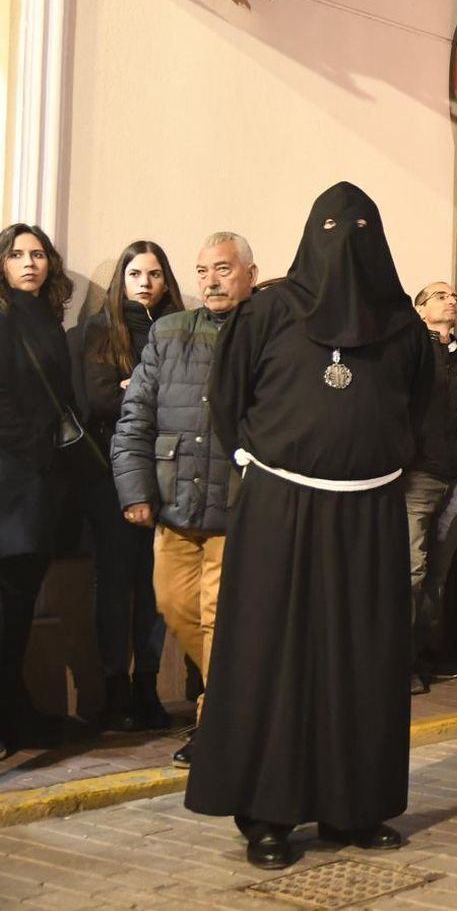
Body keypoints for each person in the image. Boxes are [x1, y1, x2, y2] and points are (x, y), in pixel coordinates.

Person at [185, 182, 432, 869]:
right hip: (280, 511)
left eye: (359, 230)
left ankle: (354, 809)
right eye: (331, 229)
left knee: (363, 660)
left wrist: (375, 460)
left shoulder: (404, 327)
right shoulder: (267, 312)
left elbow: (418, 409)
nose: (343, 245)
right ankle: (267, 816)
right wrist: (263, 461)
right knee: (275, 658)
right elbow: (228, 400)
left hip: (369, 511)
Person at [110, 232, 257, 767]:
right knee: (173, 605)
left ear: (249, 274)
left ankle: (217, 726)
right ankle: (243, 703)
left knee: (219, 617)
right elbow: (135, 418)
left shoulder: (268, 334)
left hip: (237, 507)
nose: (210, 281)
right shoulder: (170, 332)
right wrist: (135, 491)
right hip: (174, 505)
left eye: (223, 269)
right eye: (202, 271)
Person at [80, 241, 185, 732]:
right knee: (115, 583)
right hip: (113, 473)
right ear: (121, 279)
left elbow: (187, 399)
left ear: (167, 280)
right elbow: (101, 398)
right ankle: (112, 689)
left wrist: (134, 386)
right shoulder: (101, 329)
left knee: (155, 585)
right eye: (136, 273)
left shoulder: (180, 328)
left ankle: (147, 686)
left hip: (169, 473)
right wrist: (145, 390)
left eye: (154, 274)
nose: (145, 282)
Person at [0, 223, 76, 754]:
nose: (30, 263)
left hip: (39, 479)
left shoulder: (47, 318)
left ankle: (16, 711)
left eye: (38, 254)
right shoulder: (5, 317)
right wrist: (32, 449)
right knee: (8, 602)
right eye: (17, 254)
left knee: (19, 603)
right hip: (11, 479)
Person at [404, 281, 457, 694]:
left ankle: (421, 655)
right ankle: (399, 663)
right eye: (439, 296)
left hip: (456, 478)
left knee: (437, 574)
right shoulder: (412, 353)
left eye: (454, 297)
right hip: (417, 476)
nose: (451, 301)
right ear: (419, 309)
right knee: (411, 570)